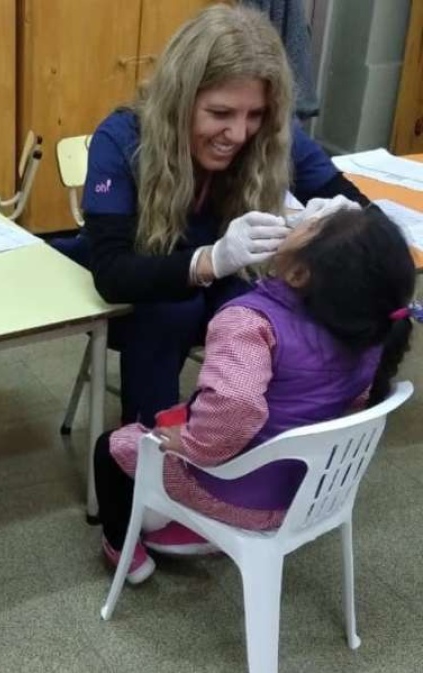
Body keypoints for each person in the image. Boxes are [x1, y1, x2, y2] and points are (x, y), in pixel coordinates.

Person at [94, 206, 417, 583]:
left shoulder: (250, 322)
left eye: (312, 224)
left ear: (298, 273)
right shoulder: (371, 332)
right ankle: (195, 526)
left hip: (236, 493)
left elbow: (237, 407)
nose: (301, 217)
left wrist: (192, 443)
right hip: (306, 493)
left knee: (113, 447)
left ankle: (124, 551)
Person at [82, 4, 372, 426]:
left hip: (221, 298)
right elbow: (112, 273)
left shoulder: (272, 134)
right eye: (220, 114)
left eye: (253, 115)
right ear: (179, 100)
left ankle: (236, 439)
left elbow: (356, 204)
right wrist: (210, 260)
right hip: (147, 296)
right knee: (172, 310)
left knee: (255, 308)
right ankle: (146, 450)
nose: (238, 134)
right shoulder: (122, 137)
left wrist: (344, 219)